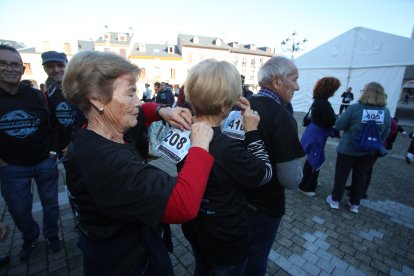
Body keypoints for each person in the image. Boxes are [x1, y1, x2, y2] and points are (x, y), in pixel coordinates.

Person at [62, 50, 215, 275]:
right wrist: (199, 146)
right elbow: (182, 204)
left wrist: (164, 111)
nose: (138, 101)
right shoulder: (105, 161)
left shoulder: (101, 130)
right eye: (130, 93)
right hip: (127, 264)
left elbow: (144, 111)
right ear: (97, 99)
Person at [180, 59, 273, 275]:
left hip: (196, 230)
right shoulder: (227, 149)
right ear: (225, 105)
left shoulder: (183, 132)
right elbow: (265, 173)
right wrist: (252, 132)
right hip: (225, 241)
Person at [245, 56, 305, 276]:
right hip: (264, 205)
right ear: (278, 82)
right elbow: (290, 179)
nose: (298, 86)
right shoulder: (283, 117)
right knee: (256, 256)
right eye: (294, 79)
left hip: (235, 199)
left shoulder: (241, 104)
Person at [0, 45, 61, 260]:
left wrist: (53, 152)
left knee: (51, 204)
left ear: (22, 69)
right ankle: (30, 237)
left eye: (15, 64)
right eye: (3, 63)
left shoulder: (37, 96)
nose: (10, 68)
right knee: (19, 210)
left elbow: (52, 124)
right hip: (11, 167)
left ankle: (52, 235)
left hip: (44, 161)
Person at [326, 82, 391, 214]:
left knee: (341, 175)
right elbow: (386, 132)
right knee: (361, 177)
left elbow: (339, 125)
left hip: (348, 149)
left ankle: (335, 200)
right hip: (370, 150)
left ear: (366, 92)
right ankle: (354, 203)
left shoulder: (355, 108)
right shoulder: (385, 111)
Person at [41, 51, 87, 168]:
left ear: (67, 66)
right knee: (72, 181)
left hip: (84, 145)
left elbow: (91, 119)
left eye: (60, 65)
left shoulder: (82, 89)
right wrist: (54, 148)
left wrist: (75, 144)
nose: (56, 70)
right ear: (45, 69)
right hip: (64, 149)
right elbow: (55, 124)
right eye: (50, 66)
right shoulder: (50, 93)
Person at [298, 77, 341, 196]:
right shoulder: (323, 103)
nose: (335, 92)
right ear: (329, 90)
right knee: (314, 159)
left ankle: (309, 181)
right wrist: (337, 118)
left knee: (313, 158)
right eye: (334, 90)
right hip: (317, 135)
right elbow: (330, 120)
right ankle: (305, 187)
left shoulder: (318, 101)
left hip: (313, 133)